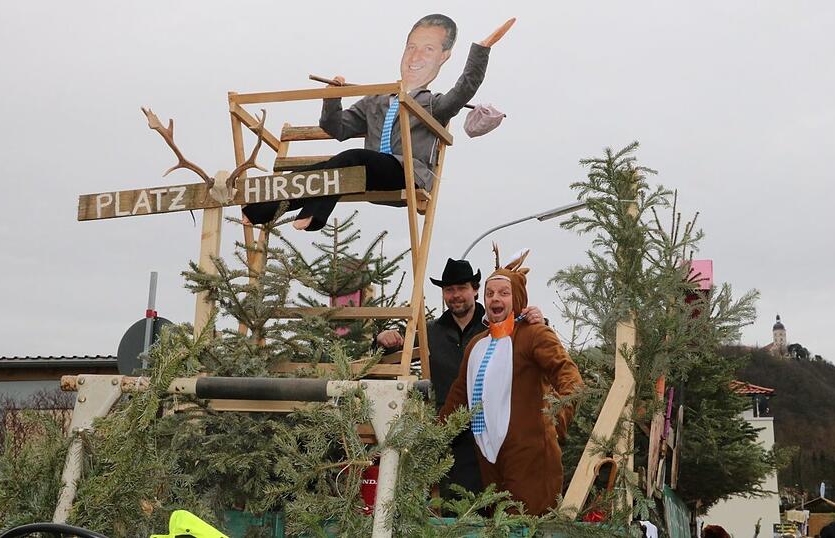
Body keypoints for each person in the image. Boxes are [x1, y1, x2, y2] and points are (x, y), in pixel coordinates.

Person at [242, 14, 516, 231]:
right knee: (320, 168)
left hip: (406, 173)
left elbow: (464, 88)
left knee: (351, 157)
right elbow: (336, 128)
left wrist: (482, 49)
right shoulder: (376, 100)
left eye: (428, 49)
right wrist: (333, 97)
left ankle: (315, 214)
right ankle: (257, 212)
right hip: (368, 171)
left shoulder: (433, 104)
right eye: (412, 48)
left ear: (443, 57)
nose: (416, 56)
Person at [375, 258, 544, 496]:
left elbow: (536, 347)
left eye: (462, 288)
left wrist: (540, 321)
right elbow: (391, 354)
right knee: (455, 506)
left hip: (497, 429)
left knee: (503, 502)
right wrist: (382, 340)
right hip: (452, 436)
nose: (456, 295)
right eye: (449, 290)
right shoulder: (429, 333)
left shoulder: (501, 324)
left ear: (475, 290)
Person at [438, 249, 583, 515]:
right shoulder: (476, 345)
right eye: (490, 293)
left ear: (515, 298)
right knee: (500, 526)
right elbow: (458, 399)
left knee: (525, 524)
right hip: (490, 458)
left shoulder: (534, 334)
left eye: (503, 293)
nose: (495, 298)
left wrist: (556, 421)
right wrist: (432, 439)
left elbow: (569, 378)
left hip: (531, 455)